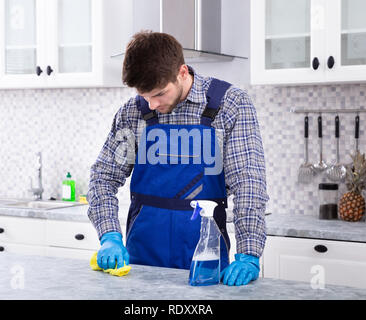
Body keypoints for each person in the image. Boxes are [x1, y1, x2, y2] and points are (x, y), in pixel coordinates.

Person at [87, 31, 269, 286]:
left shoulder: (229, 105)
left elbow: (249, 184)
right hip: (142, 264)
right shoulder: (132, 113)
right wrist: (109, 236)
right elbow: (103, 178)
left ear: (183, 72)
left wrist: (249, 252)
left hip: (207, 263)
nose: (150, 105)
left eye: (159, 94)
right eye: (144, 95)